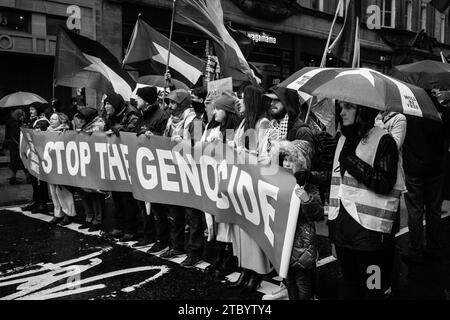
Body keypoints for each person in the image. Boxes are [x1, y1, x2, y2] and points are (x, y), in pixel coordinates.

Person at [327, 101, 400, 300]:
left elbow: (384, 183)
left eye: (348, 107)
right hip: (343, 232)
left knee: (372, 287)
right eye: (341, 107)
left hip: (370, 237)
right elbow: (338, 186)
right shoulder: (342, 138)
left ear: (363, 110)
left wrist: (351, 160)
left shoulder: (384, 141)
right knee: (350, 285)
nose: (341, 112)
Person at [227, 86, 272, 292]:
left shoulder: (263, 124)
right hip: (239, 180)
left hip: (253, 184)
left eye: (243, 99)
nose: (239, 102)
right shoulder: (243, 122)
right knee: (241, 229)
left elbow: (264, 156)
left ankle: (257, 272)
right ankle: (245, 268)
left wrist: (244, 153)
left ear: (252, 101)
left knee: (253, 230)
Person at [401, 90, 450, 264]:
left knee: (415, 210)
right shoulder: (441, 113)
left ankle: (415, 250)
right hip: (436, 168)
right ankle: (434, 248)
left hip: (414, 168)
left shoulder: (409, 112)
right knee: (434, 209)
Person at [277, 140, 324, 300]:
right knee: (289, 280)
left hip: (302, 244)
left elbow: (317, 214)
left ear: (302, 163)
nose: (287, 163)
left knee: (303, 283)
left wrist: (306, 199)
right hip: (283, 241)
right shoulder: (279, 181)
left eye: (292, 160)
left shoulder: (309, 185)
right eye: (285, 159)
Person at [202, 93, 241, 277]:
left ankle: (229, 259)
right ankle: (219, 256)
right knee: (219, 220)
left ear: (226, 110)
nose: (214, 111)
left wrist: (221, 147)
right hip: (217, 179)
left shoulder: (234, 130)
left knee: (228, 221)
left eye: (217, 108)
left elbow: (234, 155)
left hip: (230, 181)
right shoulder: (215, 127)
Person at [375, 111, 407, 295]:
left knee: (387, 238)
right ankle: (375, 282)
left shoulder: (399, 119)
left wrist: (378, 126)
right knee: (374, 239)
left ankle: (384, 282)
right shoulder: (372, 115)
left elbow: (393, 146)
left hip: (392, 183)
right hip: (373, 182)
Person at [134, 86, 169, 247]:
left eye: (139, 98)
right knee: (143, 203)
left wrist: (154, 136)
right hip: (143, 165)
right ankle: (148, 235)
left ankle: (162, 239)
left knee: (158, 206)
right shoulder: (142, 115)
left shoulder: (161, 116)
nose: (136, 100)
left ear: (146, 100)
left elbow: (166, 140)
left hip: (156, 167)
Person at [103, 92, 141, 241]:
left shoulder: (132, 115)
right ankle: (119, 227)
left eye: (108, 104)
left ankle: (131, 229)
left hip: (128, 162)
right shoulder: (110, 117)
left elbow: (132, 133)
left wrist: (120, 130)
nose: (106, 107)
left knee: (127, 198)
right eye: (105, 104)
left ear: (116, 104)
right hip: (115, 161)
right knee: (117, 197)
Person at [73, 107, 106, 232]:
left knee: (95, 193)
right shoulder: (84, 128)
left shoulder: (98, 127)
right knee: (84, 192)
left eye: (81, 118)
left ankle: (98, 220)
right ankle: (89, 217)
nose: (79, 121)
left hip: (94, 163)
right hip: (83, 162)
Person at [47, 112, 77, 226]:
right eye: (50, 119)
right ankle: (57, 213)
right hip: (52, 165)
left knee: (62, 191)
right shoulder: (48, 132)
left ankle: (68, 214)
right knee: (53, 191)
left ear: (61, 121)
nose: (51, 121)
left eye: (54, 119)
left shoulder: (66, 132)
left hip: (62, 165)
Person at [21, 102, 50, 213]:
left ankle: (42, 203)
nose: (30, 111)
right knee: (34, 179)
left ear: (38, 110)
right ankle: (36, 200)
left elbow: (39, 137)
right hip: (33, 154)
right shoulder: (34, 121)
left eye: (32, 109)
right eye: (30, 109)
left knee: (39, 180)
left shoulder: (42, 122)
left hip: (39, 155)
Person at [5, 109, 28, 184]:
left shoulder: (18, 122)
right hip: (15, 145)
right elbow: (11, 135)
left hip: (19, 144)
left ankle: (26, 178)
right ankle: (14, 178)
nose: (23, 117)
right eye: (22, 116)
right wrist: (17, 144)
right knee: (16, 162)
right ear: (18, 116)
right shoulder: (12, 123)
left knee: (22, 161)